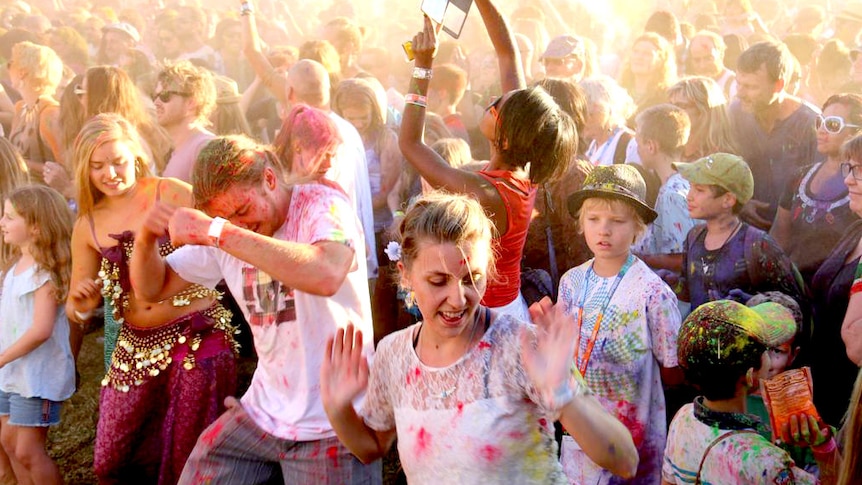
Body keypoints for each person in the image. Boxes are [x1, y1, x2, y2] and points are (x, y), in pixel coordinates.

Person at [320, 192, 638, 483]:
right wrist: (337, 410)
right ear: (405, 274)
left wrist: (562, 394)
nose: (458, 299)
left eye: (473, 278)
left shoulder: (519, 346)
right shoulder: (394, 355)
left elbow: (625, 460)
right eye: (438, 281)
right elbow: (372, 446)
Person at [129, 135, 378, 483]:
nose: (237, 223)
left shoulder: (321, 203)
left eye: (243, 211)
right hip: (264, 409)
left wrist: (217, 230)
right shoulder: (223, 228)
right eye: (225, 217)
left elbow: (326, 273)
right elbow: (153, 289)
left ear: (270, 180)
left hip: (336, 418)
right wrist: (145, 240)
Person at [66, 114, 237, 484]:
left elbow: (227, 233)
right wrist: (82, 300)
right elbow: (75, 306)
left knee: (185, 457)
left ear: (136, 156)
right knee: (110, 460)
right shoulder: (87, 224)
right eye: (98, 167)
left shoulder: (170, 192)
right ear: (85, 170)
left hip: (195, 337)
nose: (110, 173)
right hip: (134, 344)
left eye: (118, 162)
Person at [401, 3, 577, 320]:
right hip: (507, 308)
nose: (492, 101)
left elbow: (410, 143)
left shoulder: (487, 192)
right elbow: (508, 54)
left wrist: (423, 65)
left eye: (496, 105)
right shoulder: (527, 165)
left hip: (487, 318)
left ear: (505, 138)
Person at [560, 164, 682, 484]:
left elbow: (672, 369)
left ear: (638, 228)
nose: (604, 230)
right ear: (581, 223)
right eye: (594, 219)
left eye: (617, 221)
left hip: (633, 434)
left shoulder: (652, 292)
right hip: (579, 429)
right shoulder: (571, 283)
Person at [663, 299, 836, 485]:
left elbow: (667, 481)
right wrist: (823, 446)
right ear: (749, 375)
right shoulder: (767, 464)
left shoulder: (683, 419)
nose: (769, 357)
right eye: (765, 349)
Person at [0, 185, 74, 485]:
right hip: (11, 373)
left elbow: (41, 329)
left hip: (37, 377)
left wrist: (1, 358)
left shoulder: (44, 273)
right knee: (8, 443)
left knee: (28, 450)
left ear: (35, 227)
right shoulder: (15, 267)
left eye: (9, 217)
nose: (1, 222)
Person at [677, 153, 804, 311]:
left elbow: (794, 307)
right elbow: (686, 291)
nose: (689, 196)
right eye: (690, 187)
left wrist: (752, 304)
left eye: (699, 190)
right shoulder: (693, 237)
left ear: (728, 200)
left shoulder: (758, 246)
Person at [770, 94, 862, 284]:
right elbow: (778, 241)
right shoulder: (798, 178)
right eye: (819, 122)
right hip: (795, 290)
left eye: (833, 125)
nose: (821, 130)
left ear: (857, 131)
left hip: (839, 295)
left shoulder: (858, 188)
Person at [730, 41, 821, 230]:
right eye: (738, 84)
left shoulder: (812, 123)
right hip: (747, 229)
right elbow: (724, 168)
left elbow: (822, 188)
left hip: (797, 233)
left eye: (751, 87)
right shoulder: (735, 113)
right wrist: (739, 203)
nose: (740, 93)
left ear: (778, 85)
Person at [633, 104, 696, 273]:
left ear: (651, 146)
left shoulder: (672, 194)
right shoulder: (688, 180)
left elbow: (682, 259)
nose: (636, 149)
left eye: (638, 142)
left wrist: (633, 256)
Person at [7, 41, 63, 185]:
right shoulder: (20, 108)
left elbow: (65, 170)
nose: (7, 69)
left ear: (22, 73)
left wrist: (15, 161)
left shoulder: (51, 114)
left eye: (10, 64)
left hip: (44, 198)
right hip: (18, 191)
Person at [155, 60, 217, 182]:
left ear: (191, 103)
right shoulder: (177, 148)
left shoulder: (204, 148)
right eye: (155, 96)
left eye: (165, 95)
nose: (156, 102)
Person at [667, 76, 739, 161]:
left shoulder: (722, 159)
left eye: (680, 106)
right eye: (670, 105)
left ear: (705, 111)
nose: (670, 112)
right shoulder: (669, 150)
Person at [580, 76, 638, 166]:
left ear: (608, 110)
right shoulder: (592, 145)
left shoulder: (630, 144)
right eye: (580, 114)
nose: (582, 120)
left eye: (590, 114)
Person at [619, 32, 677, 115]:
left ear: (661, 60)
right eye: (636, 51)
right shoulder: (620, 91)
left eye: (647, 54)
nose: (639, 57)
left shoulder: (667, 97)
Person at [686, 31, 737, 98]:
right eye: (697, 60)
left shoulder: (734, 86)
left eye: (708, 58)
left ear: (721, 54)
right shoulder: (689, 87)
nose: (702, 66)